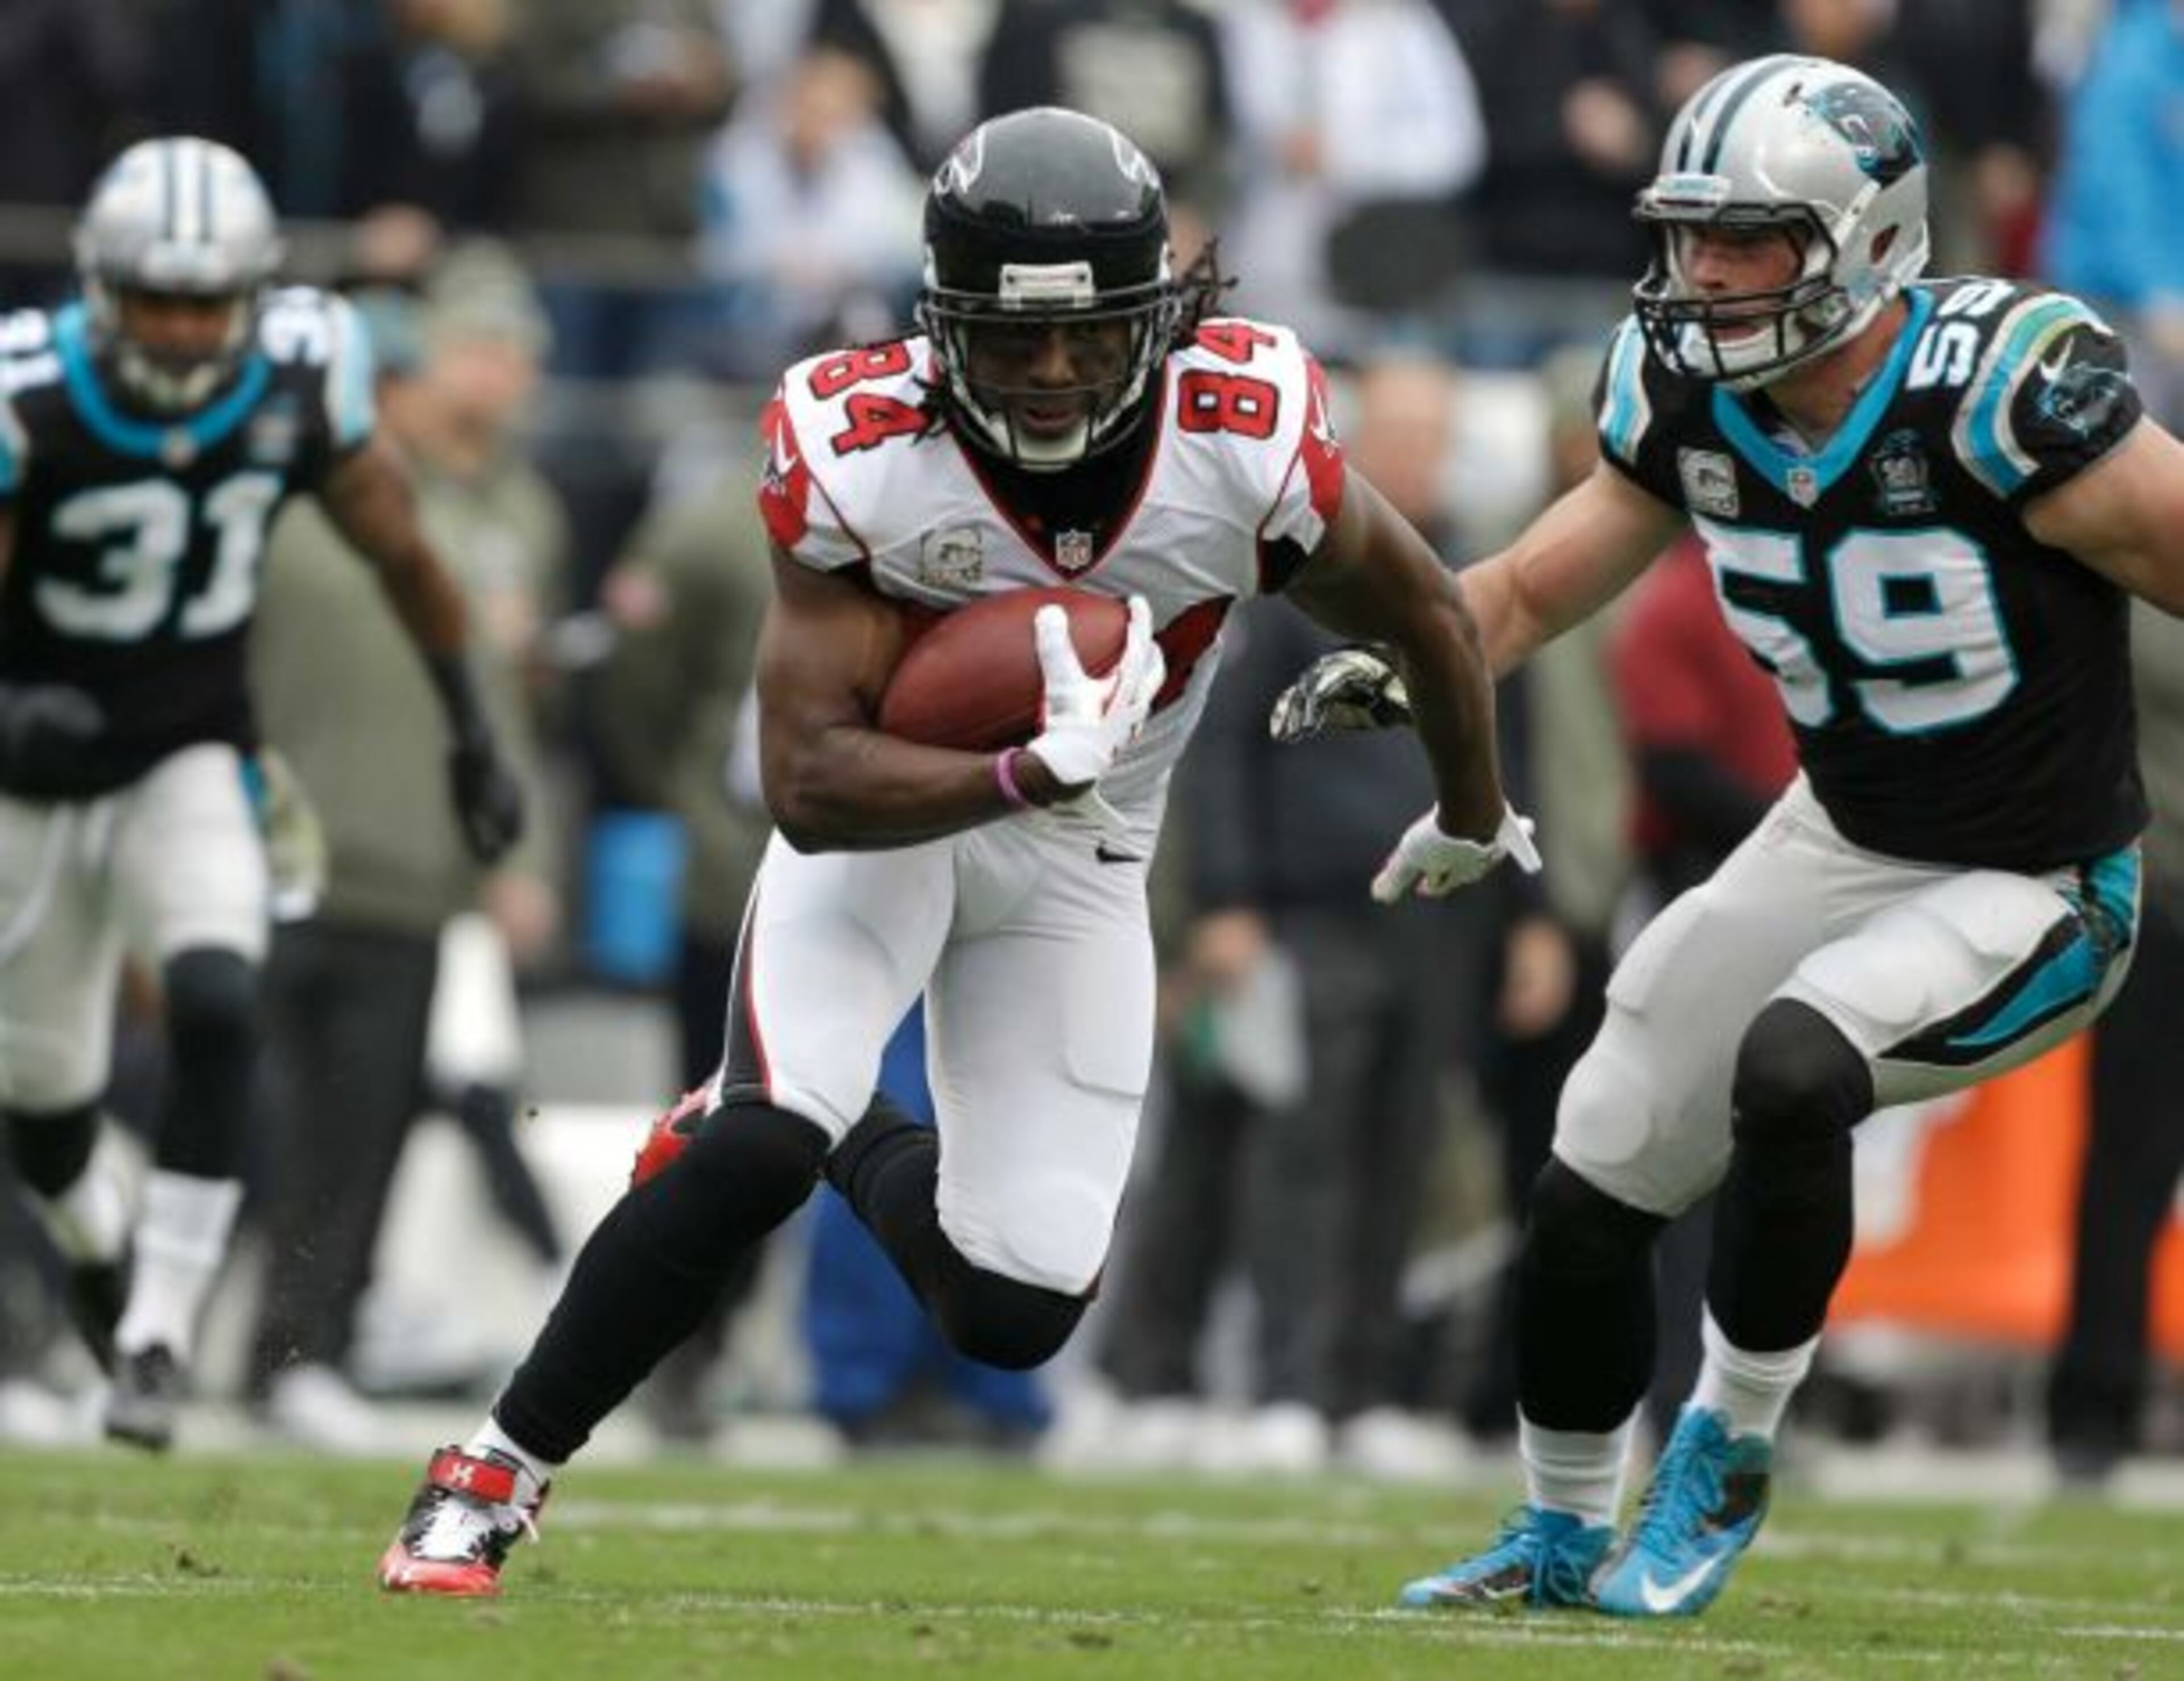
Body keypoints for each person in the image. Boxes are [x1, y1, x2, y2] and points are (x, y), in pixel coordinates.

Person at [377, 102, 1534, 1597]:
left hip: (1084, 849)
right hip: (896, 811)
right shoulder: (863, 447)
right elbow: (803, 782)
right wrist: (1006, 763)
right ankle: (490, 1472)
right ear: (941, 324)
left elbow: (1434, 614)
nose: (1052, 377)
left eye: (1089, 338)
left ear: (1164, 318)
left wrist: (1464, 802)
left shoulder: (1242, 439)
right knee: (759, 1137)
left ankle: (842, 1131)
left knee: (1015, 1306)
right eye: (1011, 339)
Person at [1272, 53, 2184, 1618]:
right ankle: (1559, 1529)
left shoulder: (2007, 393)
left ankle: (1730, 1443)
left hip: (2037, 880)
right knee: (1593, 1166)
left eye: (1749, 238)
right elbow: (1524, 593)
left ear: (1872, 239)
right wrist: (1407, 663)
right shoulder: (1684, 391)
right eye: (1690, 235)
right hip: (1838, 832)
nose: (1705, 272)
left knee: (1793, 1063)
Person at [0, 136, 527, 1453]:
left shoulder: (300, 377)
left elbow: (403, 551)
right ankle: (102, 1263)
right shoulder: (33, 398)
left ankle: (159, 1341)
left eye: (205, 300)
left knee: (219, 993)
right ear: (98, 290)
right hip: (32, 773)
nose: (182, 331)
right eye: (155, 299)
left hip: (188, 747)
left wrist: (470, 727)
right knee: (47, 1105)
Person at [241, 253, 568, 1449]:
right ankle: (148, 1329)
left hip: (419, 871)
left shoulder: (526, 516)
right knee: (233, 1113)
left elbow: (512, 707)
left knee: (364, 1131)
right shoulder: (300, 496)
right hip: (270, 855)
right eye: (476, 347)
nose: (503, 372)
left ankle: (301, 1352)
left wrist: (514, 854)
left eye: (515, 349)